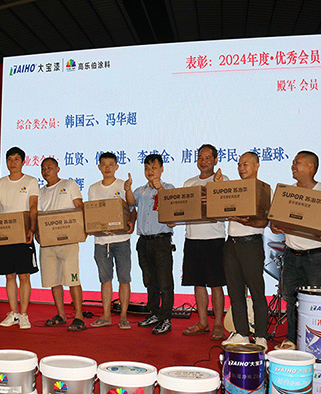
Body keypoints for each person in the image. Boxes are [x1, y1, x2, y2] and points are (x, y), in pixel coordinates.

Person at [270, 150, 321, 350]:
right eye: (293, 163)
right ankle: (292, 339)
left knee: (316, 301)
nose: (293, 166)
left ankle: (317, 342)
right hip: (291, 254)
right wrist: (274, 226)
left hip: (315, 257)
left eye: (297, 163)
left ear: (311, 167)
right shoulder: (287, 193)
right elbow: (276, 219)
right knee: (291, 300)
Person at [0, 147, 39, 329]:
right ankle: (13, 313)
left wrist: (32, 228)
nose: (13, 162)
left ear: (23, 162)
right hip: (4, 235)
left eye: (16, 159)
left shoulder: (30, 181)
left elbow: (33, 206)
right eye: (9, 159)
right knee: (9, 276)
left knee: (24, 275)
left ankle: (24, 315)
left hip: (23, 233)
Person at [220, 152, 269, 350]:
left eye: (246, 164)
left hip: (251, 245)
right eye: (239, 165)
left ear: (257, 166)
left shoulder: (263, 189)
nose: (241, 168)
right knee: (235, 291)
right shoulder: (233, 189)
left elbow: (264, 221)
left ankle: (261, 335)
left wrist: (245, 221)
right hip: (231, 244)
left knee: (257, 292)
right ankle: (241, 332)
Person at [181, 144, 228, 340]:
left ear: (215, 160)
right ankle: (202, 322)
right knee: (198, 284)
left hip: (214, 239)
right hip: (192, 239)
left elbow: (226, 208)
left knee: (216, 284)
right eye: (200, 157)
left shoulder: (223, 181)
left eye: (208, 158)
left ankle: (218, 324)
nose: (203, 161)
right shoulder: (189, 183)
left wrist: (215, 186)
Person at [125, 153, 175, 335]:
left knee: (164, 282)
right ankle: (154, 312)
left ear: (162, 169)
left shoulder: (169, 189)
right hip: (144, 242)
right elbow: (131, 203)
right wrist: (128, 189)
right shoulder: (141, 190)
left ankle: (166, 318)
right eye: (147, 168)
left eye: (154, 167)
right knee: (149, 280)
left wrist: (159, 188)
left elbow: (171, 206)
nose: (150, 171)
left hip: (161, 241)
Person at [87, 152, 136, 329]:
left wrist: (128, 189)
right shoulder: (93, 188)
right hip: (101, 241)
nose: (107, 167)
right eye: (104, 164)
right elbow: (93, 213)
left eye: (111, 164)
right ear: (99, 167)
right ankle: (106, 315)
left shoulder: (123, 184)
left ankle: (123, 316)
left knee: (124, 278)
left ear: (116, 166)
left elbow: (132, 206)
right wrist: (94, 229)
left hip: (121, 239)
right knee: (105, 279)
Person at [38, 157, 86, 332]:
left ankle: (79, 316)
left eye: (49, 167)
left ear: (58, 169)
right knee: (54, 280)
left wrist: (84, 228)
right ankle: (61, 314)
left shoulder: (69, 184)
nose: (46, 171)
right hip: (48, 242)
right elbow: (38, 215)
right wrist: (37, 232)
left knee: (73, 279)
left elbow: (80, 207)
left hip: (68, 240)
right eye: (43, 168)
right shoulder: (40, 192)